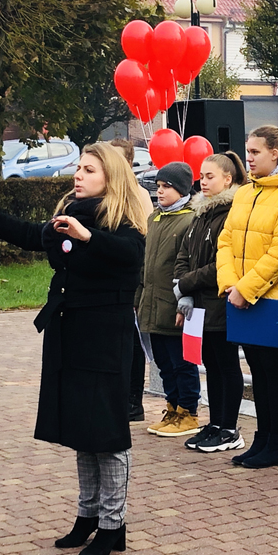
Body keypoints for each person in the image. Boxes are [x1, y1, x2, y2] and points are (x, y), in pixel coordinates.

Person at [0, 142, 148, 555]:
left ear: (110, 177)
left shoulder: (124, 221)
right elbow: (27, 234)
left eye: (89, 169)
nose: (79, 174)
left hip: (106, 338)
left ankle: (114, 525)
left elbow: (130, 256)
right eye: (78, 167)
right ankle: (87, 517)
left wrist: (87, 236)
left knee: (107, 433)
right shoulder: (70, 213)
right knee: (81, 428)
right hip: (70, 331)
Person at [217, 125, 278, 469]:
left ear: (277, 153)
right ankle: (261, 438)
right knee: (256, 372)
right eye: (248, 151)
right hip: (241, 296)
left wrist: (246, 289)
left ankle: (277, 443)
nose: (249, 157)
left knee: (274, 372)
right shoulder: (245, 191)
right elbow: (225, 240)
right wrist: (231, 284)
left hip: (272, 301)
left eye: (256, 152)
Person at [176, 152, 249, 453]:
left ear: (228, 179)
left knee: (226, 365)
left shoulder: (231, 213)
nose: (203, 182)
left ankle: (229, 428)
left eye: (210, 176)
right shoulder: (200, 214)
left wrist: (186, 282)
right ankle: (216, 423)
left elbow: (220, 264)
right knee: (211, 365)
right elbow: (183, 255)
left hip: (220, 303)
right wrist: (182, 285)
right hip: (199, 308)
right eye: (201, 176)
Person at [140, 162, 202, 437]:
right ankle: (172, 406)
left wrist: (182, 301)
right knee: (163, 362)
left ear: (182, 189)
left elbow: (186, 265)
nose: (160, 192)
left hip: (174, 304)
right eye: (159, 187)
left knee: (182, 362)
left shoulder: (189, 220)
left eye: (167, 187)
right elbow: (146, 265)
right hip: (152, 304)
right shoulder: (154, 218)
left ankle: (188, 411)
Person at [107, 137, 155, 422]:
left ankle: (133, 401)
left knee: (133, 339)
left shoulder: (137, 194)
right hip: (109, 278)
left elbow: (143, 240)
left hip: (132, 277)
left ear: (127, 162)